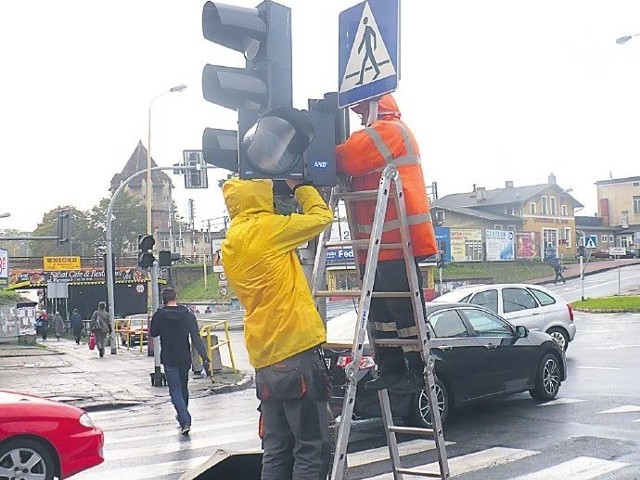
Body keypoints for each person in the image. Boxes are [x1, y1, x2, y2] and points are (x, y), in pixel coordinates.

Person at [221, 177, 333, 480]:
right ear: (261, 199)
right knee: (311, 448)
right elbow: (321, 217)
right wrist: (301, 187)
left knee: (276, 447)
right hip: (295, 348)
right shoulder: (269, 229)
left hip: (264, 357)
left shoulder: (231, 242)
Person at [335, 93, 438, 393]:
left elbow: (347, 158)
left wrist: (323, 148)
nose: (359, 118)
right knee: (379, 312)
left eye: (361, 111)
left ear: (375, 107)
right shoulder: (381, 135)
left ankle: (419, 367)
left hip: (397, 241)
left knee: (403, 309)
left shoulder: (391, 131)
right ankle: (390, 366)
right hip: (378, 244)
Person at [150, 287, 211, 436]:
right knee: (183, 389)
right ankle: (183, 416)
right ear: (176, 298)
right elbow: (196, 338)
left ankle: (184, 420)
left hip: (169, 358)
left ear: (163, 300)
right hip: (184, 357)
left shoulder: (160, 315)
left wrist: (157, 318)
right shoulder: (188, 315)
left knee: (175, 391)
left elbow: (154, 332)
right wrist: (205, 357)